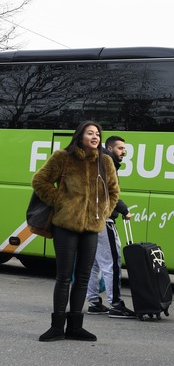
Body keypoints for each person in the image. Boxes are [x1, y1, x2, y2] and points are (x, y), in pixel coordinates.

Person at [32, 120, 119, 342]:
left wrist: (104, 212)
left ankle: (75, 327)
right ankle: (57, 327)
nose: (95, 136)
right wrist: (60, 202)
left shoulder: (105, 161)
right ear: (79, 136)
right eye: (90, 133)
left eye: (98, 133)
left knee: (83, 278)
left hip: (92, 227)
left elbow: (113, 192)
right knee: (63, 277)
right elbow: (39, 181)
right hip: (65, 226)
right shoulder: (63, 157)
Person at [86, 135, 136, 319]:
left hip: (89, 219)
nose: (124, 152)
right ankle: (116, 304)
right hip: (103, 219)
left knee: (93, 263)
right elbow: (108, 192)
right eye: (121, 148)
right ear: (110, 147)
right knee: (112, 263)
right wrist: (124, 210)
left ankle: (93, 302)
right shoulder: (107, 163)